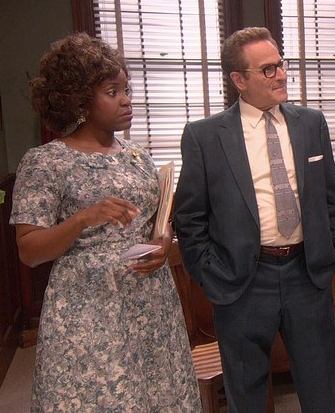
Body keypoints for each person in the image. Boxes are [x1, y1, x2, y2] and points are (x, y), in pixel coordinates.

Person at [11, 33, 200, 411]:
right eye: (112, 92)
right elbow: (29, 251)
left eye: (126, 89)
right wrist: (83, 218)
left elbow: (158, 222)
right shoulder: (46, 162)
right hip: (88, 309)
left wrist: (163, 243)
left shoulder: (138, 157)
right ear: (79, 100)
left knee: (158, 396)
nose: (126, 99)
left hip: (151, 302)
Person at [172, 27, 335, 413]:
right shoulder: (204, 136)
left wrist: (328, 249)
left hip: (307, 275)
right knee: (246, 396)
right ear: (239, 80)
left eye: (281, 64)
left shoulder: (311, 124)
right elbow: (189, 218)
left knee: (322, 392)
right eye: (268, 69)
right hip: (242, 282)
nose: (281, 75)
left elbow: (327, 198)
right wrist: (212, 275)